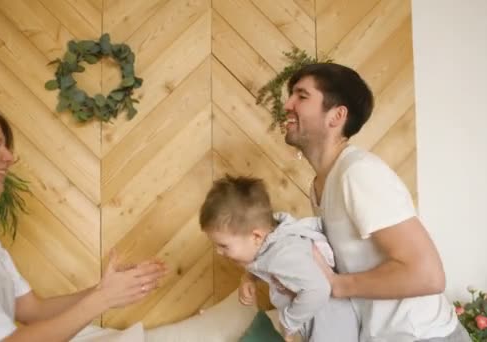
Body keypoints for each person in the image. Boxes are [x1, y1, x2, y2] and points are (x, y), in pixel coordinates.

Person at [259, 63, 471, 341]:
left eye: (301, 96)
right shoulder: (320, 185)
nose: (287, 104)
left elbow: (428, 276)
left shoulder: (358, 173)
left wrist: (337, 285)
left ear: (337, 115)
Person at [0, 105, 167, 341]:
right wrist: (103, 299)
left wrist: (105, 290)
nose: (9, 156)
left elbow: (33, 312)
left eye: (6, 147)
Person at [199, 175, 358, 342]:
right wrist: (249, 277)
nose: (218, 251)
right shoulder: (273, 241)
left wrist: (288, 323)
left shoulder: (283, 254)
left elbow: (318, 289)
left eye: (224, 246)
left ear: (256, 236)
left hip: (333, 329)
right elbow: (261, 259)